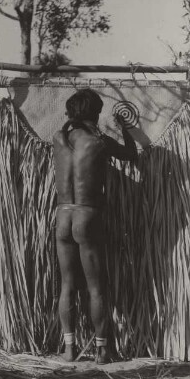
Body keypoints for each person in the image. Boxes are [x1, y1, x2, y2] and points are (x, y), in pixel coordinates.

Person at [53, 89, 138, 364]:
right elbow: (130, 155)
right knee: (95, 287)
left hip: (62, 216)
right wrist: (125, 128)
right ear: (95, 113)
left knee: (67, 285)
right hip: (87, 216)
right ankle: (102, 351)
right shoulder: (99, 142)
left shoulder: (58, 138)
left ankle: (69, 349)